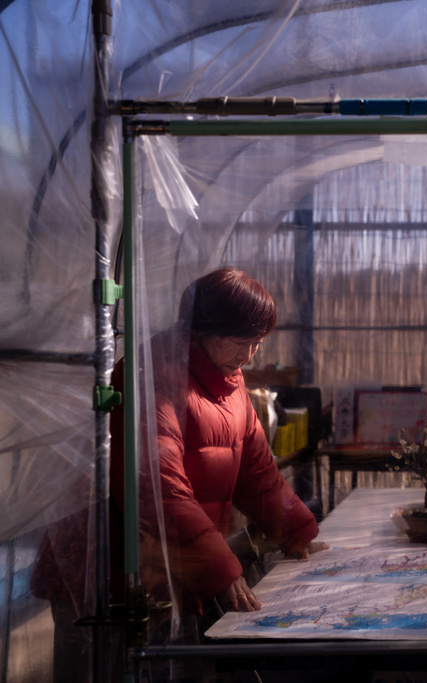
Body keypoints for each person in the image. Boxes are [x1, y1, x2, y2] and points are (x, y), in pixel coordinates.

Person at [32, 266, 327, 678]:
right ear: (201, 329)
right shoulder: (150, 375)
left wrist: (296, 532)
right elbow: (156, 485)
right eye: (241, 342)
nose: (249, 356)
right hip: (109, 576)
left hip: (173, 568)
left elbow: (257, 472)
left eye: (257, 343)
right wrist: (220, 569)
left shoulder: (230, 383)